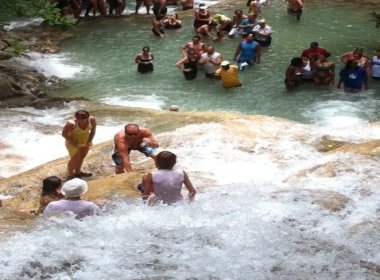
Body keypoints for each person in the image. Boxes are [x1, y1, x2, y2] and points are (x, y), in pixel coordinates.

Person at [62, 110, 96, 180]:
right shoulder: (71, 123)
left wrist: (90, 140)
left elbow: (93, 130)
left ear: (87, 117)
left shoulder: (92, 119)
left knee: (82, 156)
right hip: (72, 141)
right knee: (75, 159)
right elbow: (64, 134)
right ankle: (70, 175)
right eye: (78, 118)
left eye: (83, 118)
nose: (81, 120)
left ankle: (78, 172)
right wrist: (75, 144)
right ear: (76, 117)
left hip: (85, 139)